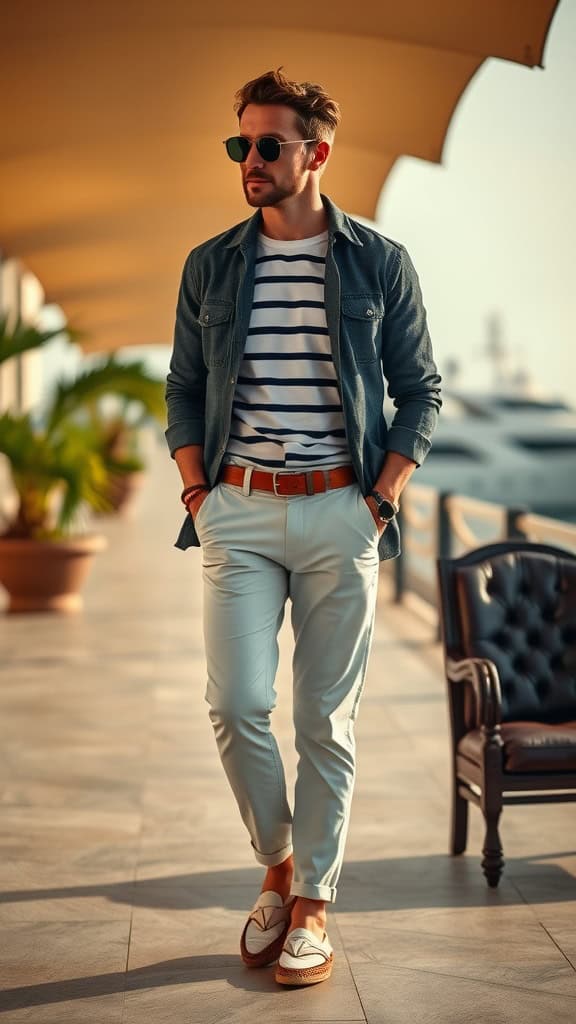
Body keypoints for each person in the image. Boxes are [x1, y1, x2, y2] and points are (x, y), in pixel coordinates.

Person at [165, 68, 441, 987]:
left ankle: (313, 903)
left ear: (316, 153)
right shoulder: (211, 264)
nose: (250, 158)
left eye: (268, 144)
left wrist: (381, 499)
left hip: (339, 512)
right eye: (239, 143)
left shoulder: (378, 262)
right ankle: (278, 863)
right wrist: (200, 494)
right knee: (237, 704)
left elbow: (420, 392)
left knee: (326, 717)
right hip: (236, 512)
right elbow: (184, 389)